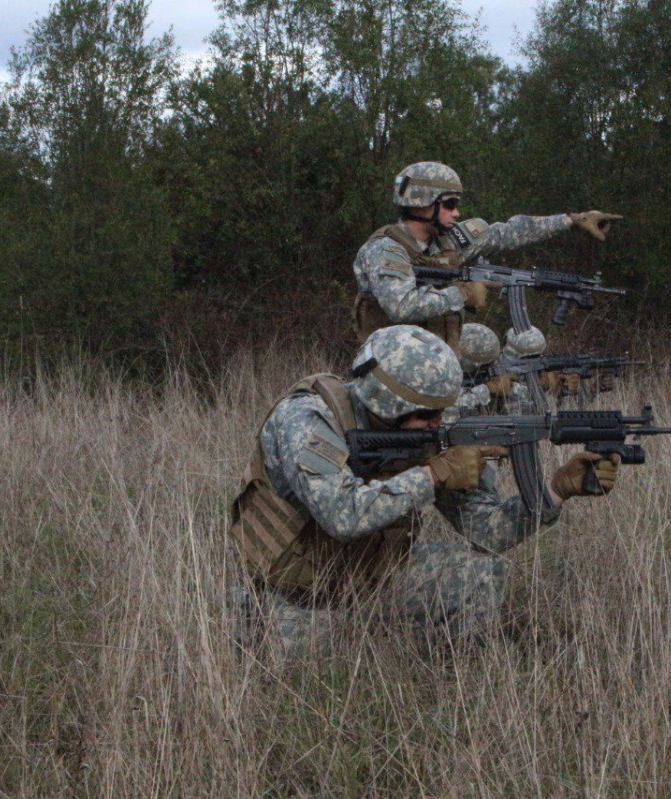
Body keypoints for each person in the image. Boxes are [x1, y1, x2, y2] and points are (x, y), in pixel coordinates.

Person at [230, 325, 620, 655]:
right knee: (303, 679)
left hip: (372, 579)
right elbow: (341, 515)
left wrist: (553, 493)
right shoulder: (308, 418)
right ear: (386, 404)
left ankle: (452, 691)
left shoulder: (431, 431)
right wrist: (434, 475)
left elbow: (486, 531)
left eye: (441, 411)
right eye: (427, 415)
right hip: (292, 593)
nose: (439, 423)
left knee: (480, 573)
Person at [352, 161, 622, 352]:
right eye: (449, 204)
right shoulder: (386, 249)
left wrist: (571, 220)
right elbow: (401, 306)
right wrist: (463, 294)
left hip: (439, 367)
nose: (456, 213)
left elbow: (508, 233)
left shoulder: (449, 240)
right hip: (390, 375)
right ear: (422, 204)